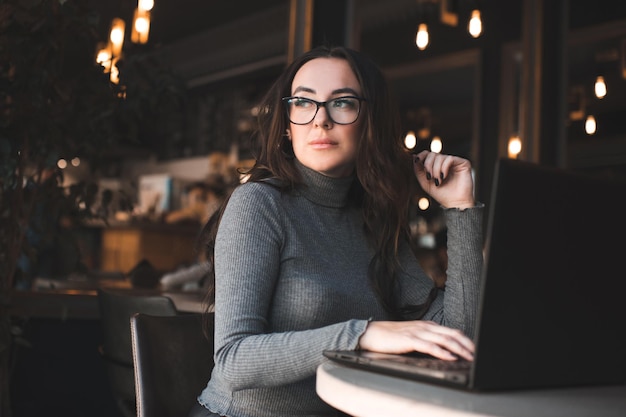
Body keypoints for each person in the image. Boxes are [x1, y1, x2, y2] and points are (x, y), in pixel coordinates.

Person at [189, 45, 484, 417]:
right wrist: (363, 334)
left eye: (342, 103)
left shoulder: (375, 219)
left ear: (369, 121)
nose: (320, 119)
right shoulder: (259, 203)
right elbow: (233, 360)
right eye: (303, 102)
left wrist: (460, 209)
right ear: (286, 123)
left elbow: (460, 339)